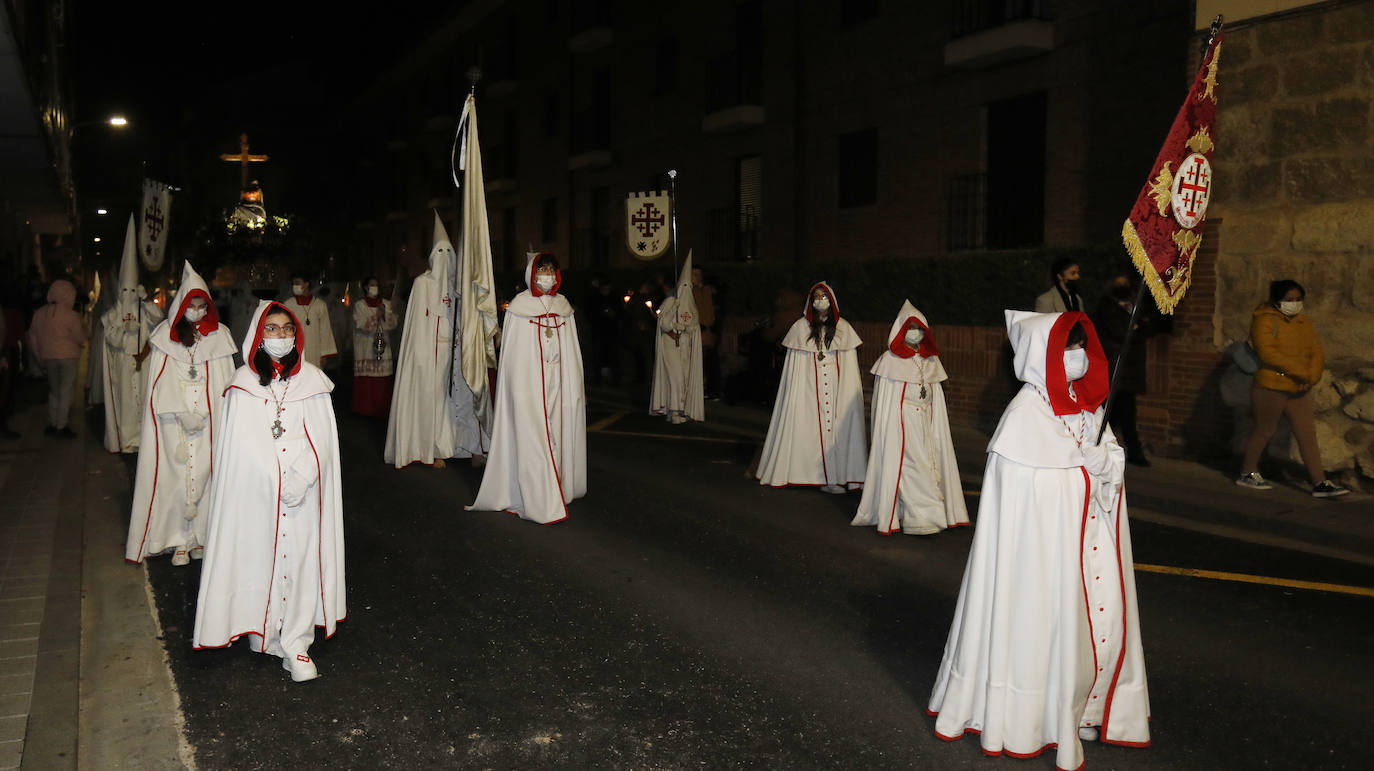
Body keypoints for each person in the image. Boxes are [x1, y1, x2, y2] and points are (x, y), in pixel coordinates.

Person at [928, 310, 1150, 770]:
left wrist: (1104, 464)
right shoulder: (1023, 419)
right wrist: (1078, 470)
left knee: (1091, 629)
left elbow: (1110, 463)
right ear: (1039, 357)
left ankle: (1084, 709)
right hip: (1044, 560)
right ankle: (1034, 717)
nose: (1076, 357)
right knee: (1046, 628)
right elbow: (1033, 498)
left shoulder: (1086, 405)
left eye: (1079, 346)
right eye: (1065, 349)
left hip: (1091, 542)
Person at [192, 301, 344, 683]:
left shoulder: (312, 381)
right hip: (258, 495)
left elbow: (323, 439)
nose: (280, 336)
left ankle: (295, 640)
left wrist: (304, 475)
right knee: (261, 558)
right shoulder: (242, 384)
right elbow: (239, 447)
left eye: (287, 329)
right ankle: (264, 630)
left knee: (301, 559)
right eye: (272, 329)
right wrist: (273, 479)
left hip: (302, 495)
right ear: (259, 336)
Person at [125, 262, 236, 566]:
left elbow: (224, 380)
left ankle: (201, 535)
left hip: (209, 421)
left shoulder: (219, 336)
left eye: (202, 306)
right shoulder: (165, 335)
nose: (197, 311)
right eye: (192, 305)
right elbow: (159, 381)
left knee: (207, 475)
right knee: (175, 478)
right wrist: (181, 412)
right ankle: (178, 540)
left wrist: (212, 412)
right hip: (174, 422)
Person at [468, 252, 587, 524]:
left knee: (558, 429)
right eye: (541, 269)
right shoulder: (519, 307)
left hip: (558, 383)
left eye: (551, 270)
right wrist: (518, 388)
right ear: (531, 274)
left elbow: (572, 352)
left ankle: (559, 484)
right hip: (529, 386)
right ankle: (533, 492)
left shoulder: (563, 306)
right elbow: (513, 357)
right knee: (532, 435)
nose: (546, 275)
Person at [852, 301, 968, 534]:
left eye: (920, 329)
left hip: (925, 421)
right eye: (911, 328)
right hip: (902, 423)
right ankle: (921, 518)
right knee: (912, 466)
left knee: (928, 463)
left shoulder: (931, 360)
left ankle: (915, 512)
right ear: (901, 330)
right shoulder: (889, 361)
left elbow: (935, 397)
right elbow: (886, 402)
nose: (916, 333)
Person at [385, 213, 490, 468]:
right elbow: (417, 327)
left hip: (454, 355)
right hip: (428, 356)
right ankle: (432, 448)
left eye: (449, 252)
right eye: (439, 251)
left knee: (464, 399)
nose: (445, 257)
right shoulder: (422, 284)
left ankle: (469, 446)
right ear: (432, 256)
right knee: (434, 401)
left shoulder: (459, 287)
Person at [1236, 280, 1349, 497]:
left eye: (1298, 299)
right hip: (1271, 386)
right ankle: (1247, 472)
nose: (1294, 303)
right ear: (1277, 300)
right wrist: (1301, 372)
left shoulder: (1303, 323)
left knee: (1307, 434)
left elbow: (1316, 351)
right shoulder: (1264, 321)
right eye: (1289, 299)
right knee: (1264, 430)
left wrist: (1312, 377)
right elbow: (1268, 353)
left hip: (1299, 387)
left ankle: (1319, 482)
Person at [756, 282, 867, 493]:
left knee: (837, 432)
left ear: (832, 300)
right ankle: (807, 473)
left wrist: (845, 393)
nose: (820, 301)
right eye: (816, 297)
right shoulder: (800, 327)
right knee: (809, 431)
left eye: (824, 296)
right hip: (807, 391)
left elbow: (849, 366)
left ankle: (835, 477)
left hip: (835, 391)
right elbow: (794, 367)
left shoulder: (843, 328)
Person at [101, 218, 163, 452]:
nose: (128, 294)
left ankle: (144, 438)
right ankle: (127, 440)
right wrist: (127, 335)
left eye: (131, 289)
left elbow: (158, 319)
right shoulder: (113, 313)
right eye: (124, 290)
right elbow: (111, 336)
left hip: (144, 361)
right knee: (126, 403)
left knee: (144, 400)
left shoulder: (142, 306)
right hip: (124, 363)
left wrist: (146, 300)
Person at [1093, 274, 1159, 466]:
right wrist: (1136, 327)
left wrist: (1138, 326)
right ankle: (1130, 449)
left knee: (1121, 411)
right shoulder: (1108, 305)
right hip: (1116, 365)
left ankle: (1114, 447)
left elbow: (1147, 326)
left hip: (1130, 366)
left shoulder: (1132, 302)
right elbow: (1121, 332)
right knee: (1119, 410)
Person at [27, 279, 87, 438]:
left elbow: (32, 337)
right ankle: (62, 425)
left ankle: (53, 423)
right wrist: (82, 342)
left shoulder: (39, 314)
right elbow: (80, 337)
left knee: (54, 391)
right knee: (66, 391)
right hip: (68, 357)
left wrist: (39, 356)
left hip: (48, 357)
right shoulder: (72, 315)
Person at [650, 254, 704, 424]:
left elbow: (694, 324)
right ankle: (674, 412)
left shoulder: (692, 304)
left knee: (684, 377)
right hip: (670, 344)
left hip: (685, 345)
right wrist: (676, 324)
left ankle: (678, 409)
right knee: (676, 378)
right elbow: (664, 323)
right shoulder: (671, 301)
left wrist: (687, 328)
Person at [351, 276, 399, 417]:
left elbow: (392, 324)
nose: (375, 288)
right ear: (366, 287)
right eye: (372, 285)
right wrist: (376, 316)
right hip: (365, 347)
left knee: (383, 380)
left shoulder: (385, 304)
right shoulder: (360, 305)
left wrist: (384, 315)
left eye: (376, 285)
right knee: (367, 381)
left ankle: (383, 408)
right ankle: (365, 409)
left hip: (383, 346)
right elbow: (359, 324)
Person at [283, 272, 337, 369]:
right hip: (294, 350)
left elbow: (325, 330)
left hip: (315, 350)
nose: (295, 286)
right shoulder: (288, 305)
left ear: (306, 284)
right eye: (293, 284)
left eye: (297, 283)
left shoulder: (320, 305)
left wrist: (324, 354)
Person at [693, 267, 721, 400]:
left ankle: (711, 391)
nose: (696, 277)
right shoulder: (691, 291)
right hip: (699, 332)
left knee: (708, 363)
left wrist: (707, 326)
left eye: (698, 274)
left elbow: (709, 313)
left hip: (705, 333)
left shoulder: (706, 291)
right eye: (694, 274)